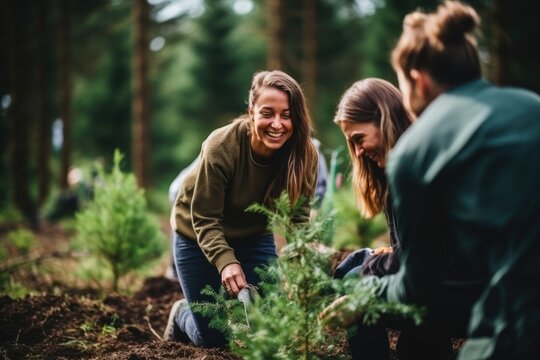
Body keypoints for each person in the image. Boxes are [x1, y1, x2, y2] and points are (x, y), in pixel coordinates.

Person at [321, 1, 540, 360]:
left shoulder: (417, 153)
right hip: (497, 296)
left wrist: (364, 291)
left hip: (510, 321)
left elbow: (416, 286)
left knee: (359, 284)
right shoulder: (530, 106)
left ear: (418, 81)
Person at [163, 70, 318, 349]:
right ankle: (182, 314)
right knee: (215, 341)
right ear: (251, 112)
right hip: (196, 235)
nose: (277, 124)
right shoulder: (222, 146)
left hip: (253, 236)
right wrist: (226, 261)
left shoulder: (303, 154)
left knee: (272, 329)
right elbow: (205, 218)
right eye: (267, 113)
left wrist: (302, 265)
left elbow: (297, 218)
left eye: (286, 114)